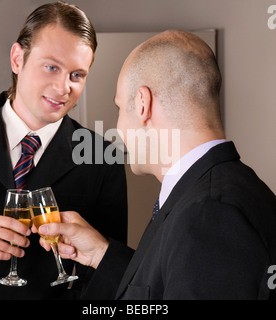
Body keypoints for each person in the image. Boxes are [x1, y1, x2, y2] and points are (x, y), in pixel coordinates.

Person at [36, 30, 276, 300]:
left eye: (119, 109)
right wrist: (101, 254)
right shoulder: (213, 193)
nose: (118, 128)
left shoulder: (209, 213)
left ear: (142, 104)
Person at [0, 2, 127, 300]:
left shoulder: (103, 157)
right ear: (17, 58)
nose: (63, 87)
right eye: (52, 67)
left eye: (77, 75)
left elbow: (109, 280)